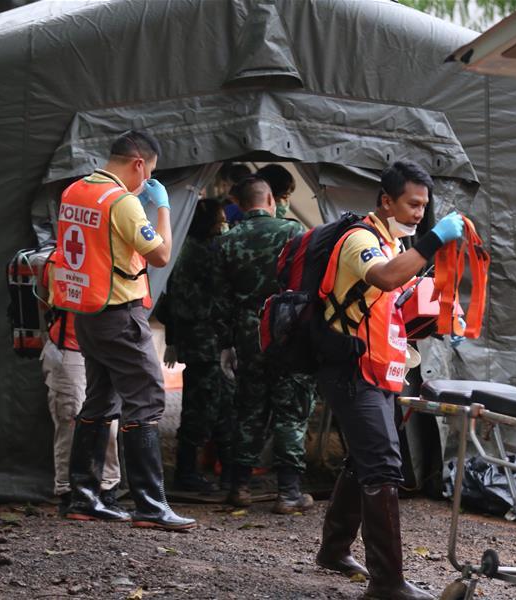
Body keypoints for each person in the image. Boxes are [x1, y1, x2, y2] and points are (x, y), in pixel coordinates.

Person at [313, 161, 464, 600]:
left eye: (425, 206)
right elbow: (383, 277)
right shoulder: (361, 239)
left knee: (364, 460)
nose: (420, 212)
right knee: (382, 466)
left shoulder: (392, 241)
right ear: (386, 200)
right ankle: (388, 583)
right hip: (349, 369)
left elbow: (387, 305)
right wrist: (436, 241)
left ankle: (334, 550)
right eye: (412, 203)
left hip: (378, 367)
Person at [50, 129, 195, 530]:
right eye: (148, 173)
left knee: (99, 400)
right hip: (118, 312)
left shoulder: (75, 191)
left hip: (87, 311)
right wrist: (161, 209)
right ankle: (151, 505)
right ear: (137, 163)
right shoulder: (124, 203)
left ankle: (83, 497)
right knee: (147, 397)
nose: (146, 181)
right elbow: (162, 254)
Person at [213, 176, 316, 515]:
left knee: (250, 409)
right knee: (291, 410)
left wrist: (226, 344)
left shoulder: (226, 241)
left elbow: (220, 301)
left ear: (241, 206)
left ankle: (239, 486)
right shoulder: (293, 233)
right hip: (288, 331)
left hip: (247, 333)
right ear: (271, 200)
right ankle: (288, 493)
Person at [162, 198, 235, 493]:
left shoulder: (183, 248)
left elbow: (170, 300)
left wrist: (172, 339)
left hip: (196, 342)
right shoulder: (206, 253)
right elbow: (218, 301)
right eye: (219, 220)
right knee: (202, 409)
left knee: (202, 406)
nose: (223, 226)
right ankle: (188, 473)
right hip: (207, 343)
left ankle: (197, 470)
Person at [40, 260, 122, 516]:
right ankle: (68, 493)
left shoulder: (116, 254)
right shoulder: (57, 260)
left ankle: (107, 490)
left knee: (110, 423)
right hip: (69, 348)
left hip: (104, 348)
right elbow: (48, 300)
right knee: (70, 420)